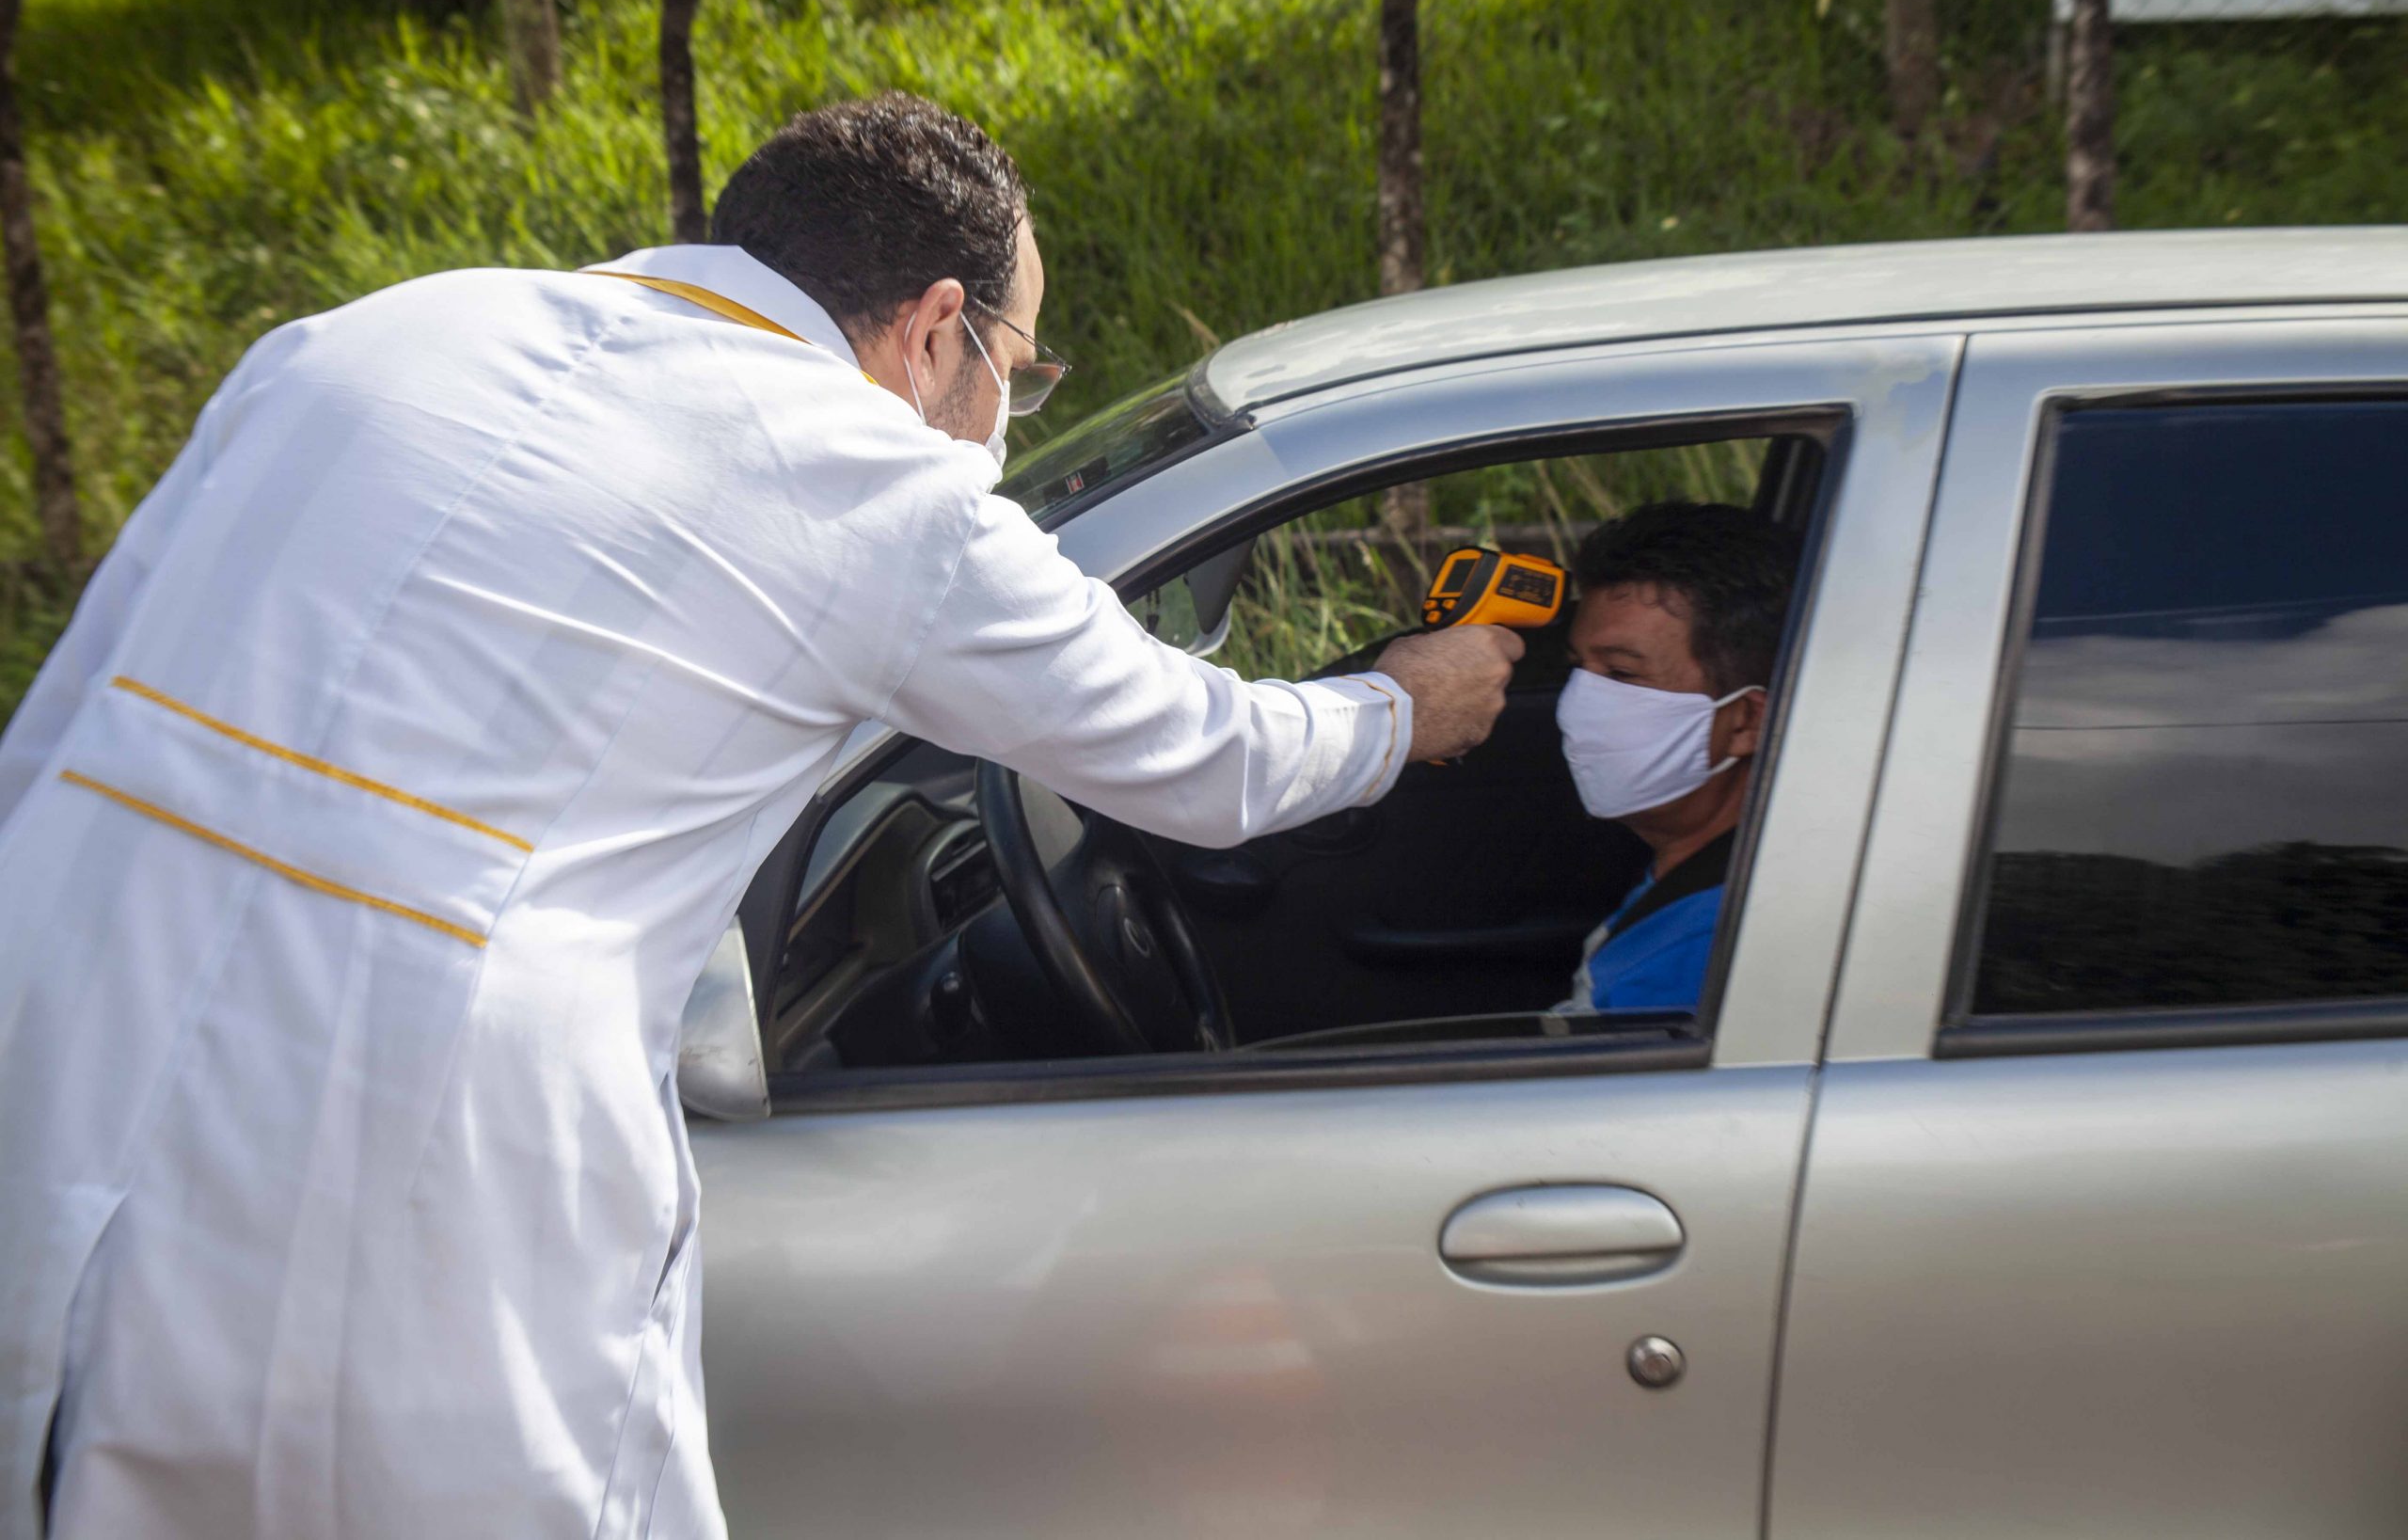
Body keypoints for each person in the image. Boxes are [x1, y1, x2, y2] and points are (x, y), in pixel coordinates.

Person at [0, 93, 1520, 1540]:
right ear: (939, 328)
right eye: (1023, 369)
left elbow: (66, 721)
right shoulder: (873, 489)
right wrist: (1405, 705)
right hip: (399, 1143)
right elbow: (1204, 759)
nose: (1006, 410)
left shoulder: (370, 335)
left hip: (55, 1015)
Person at [1552, 500, 1799, 1016]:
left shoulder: (1707, 953)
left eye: (1621, 675)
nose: (1578, 707)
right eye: (1579, 668)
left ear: (1746, 723)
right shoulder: (1698, 872)